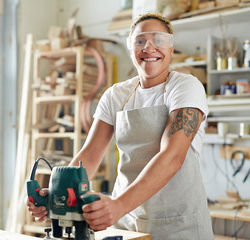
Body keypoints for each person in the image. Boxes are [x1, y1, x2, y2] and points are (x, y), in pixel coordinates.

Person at [27, 12, 214, 239]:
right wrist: (60, 194)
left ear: (171, 49)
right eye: (140, 41)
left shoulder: (186, 86)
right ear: (131, 48)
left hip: (178, 224)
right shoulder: (116, 95)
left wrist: (118, 205)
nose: (149, 47)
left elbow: (173, 155)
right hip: (127, 222)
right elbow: (91, 154)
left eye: (159, 40)